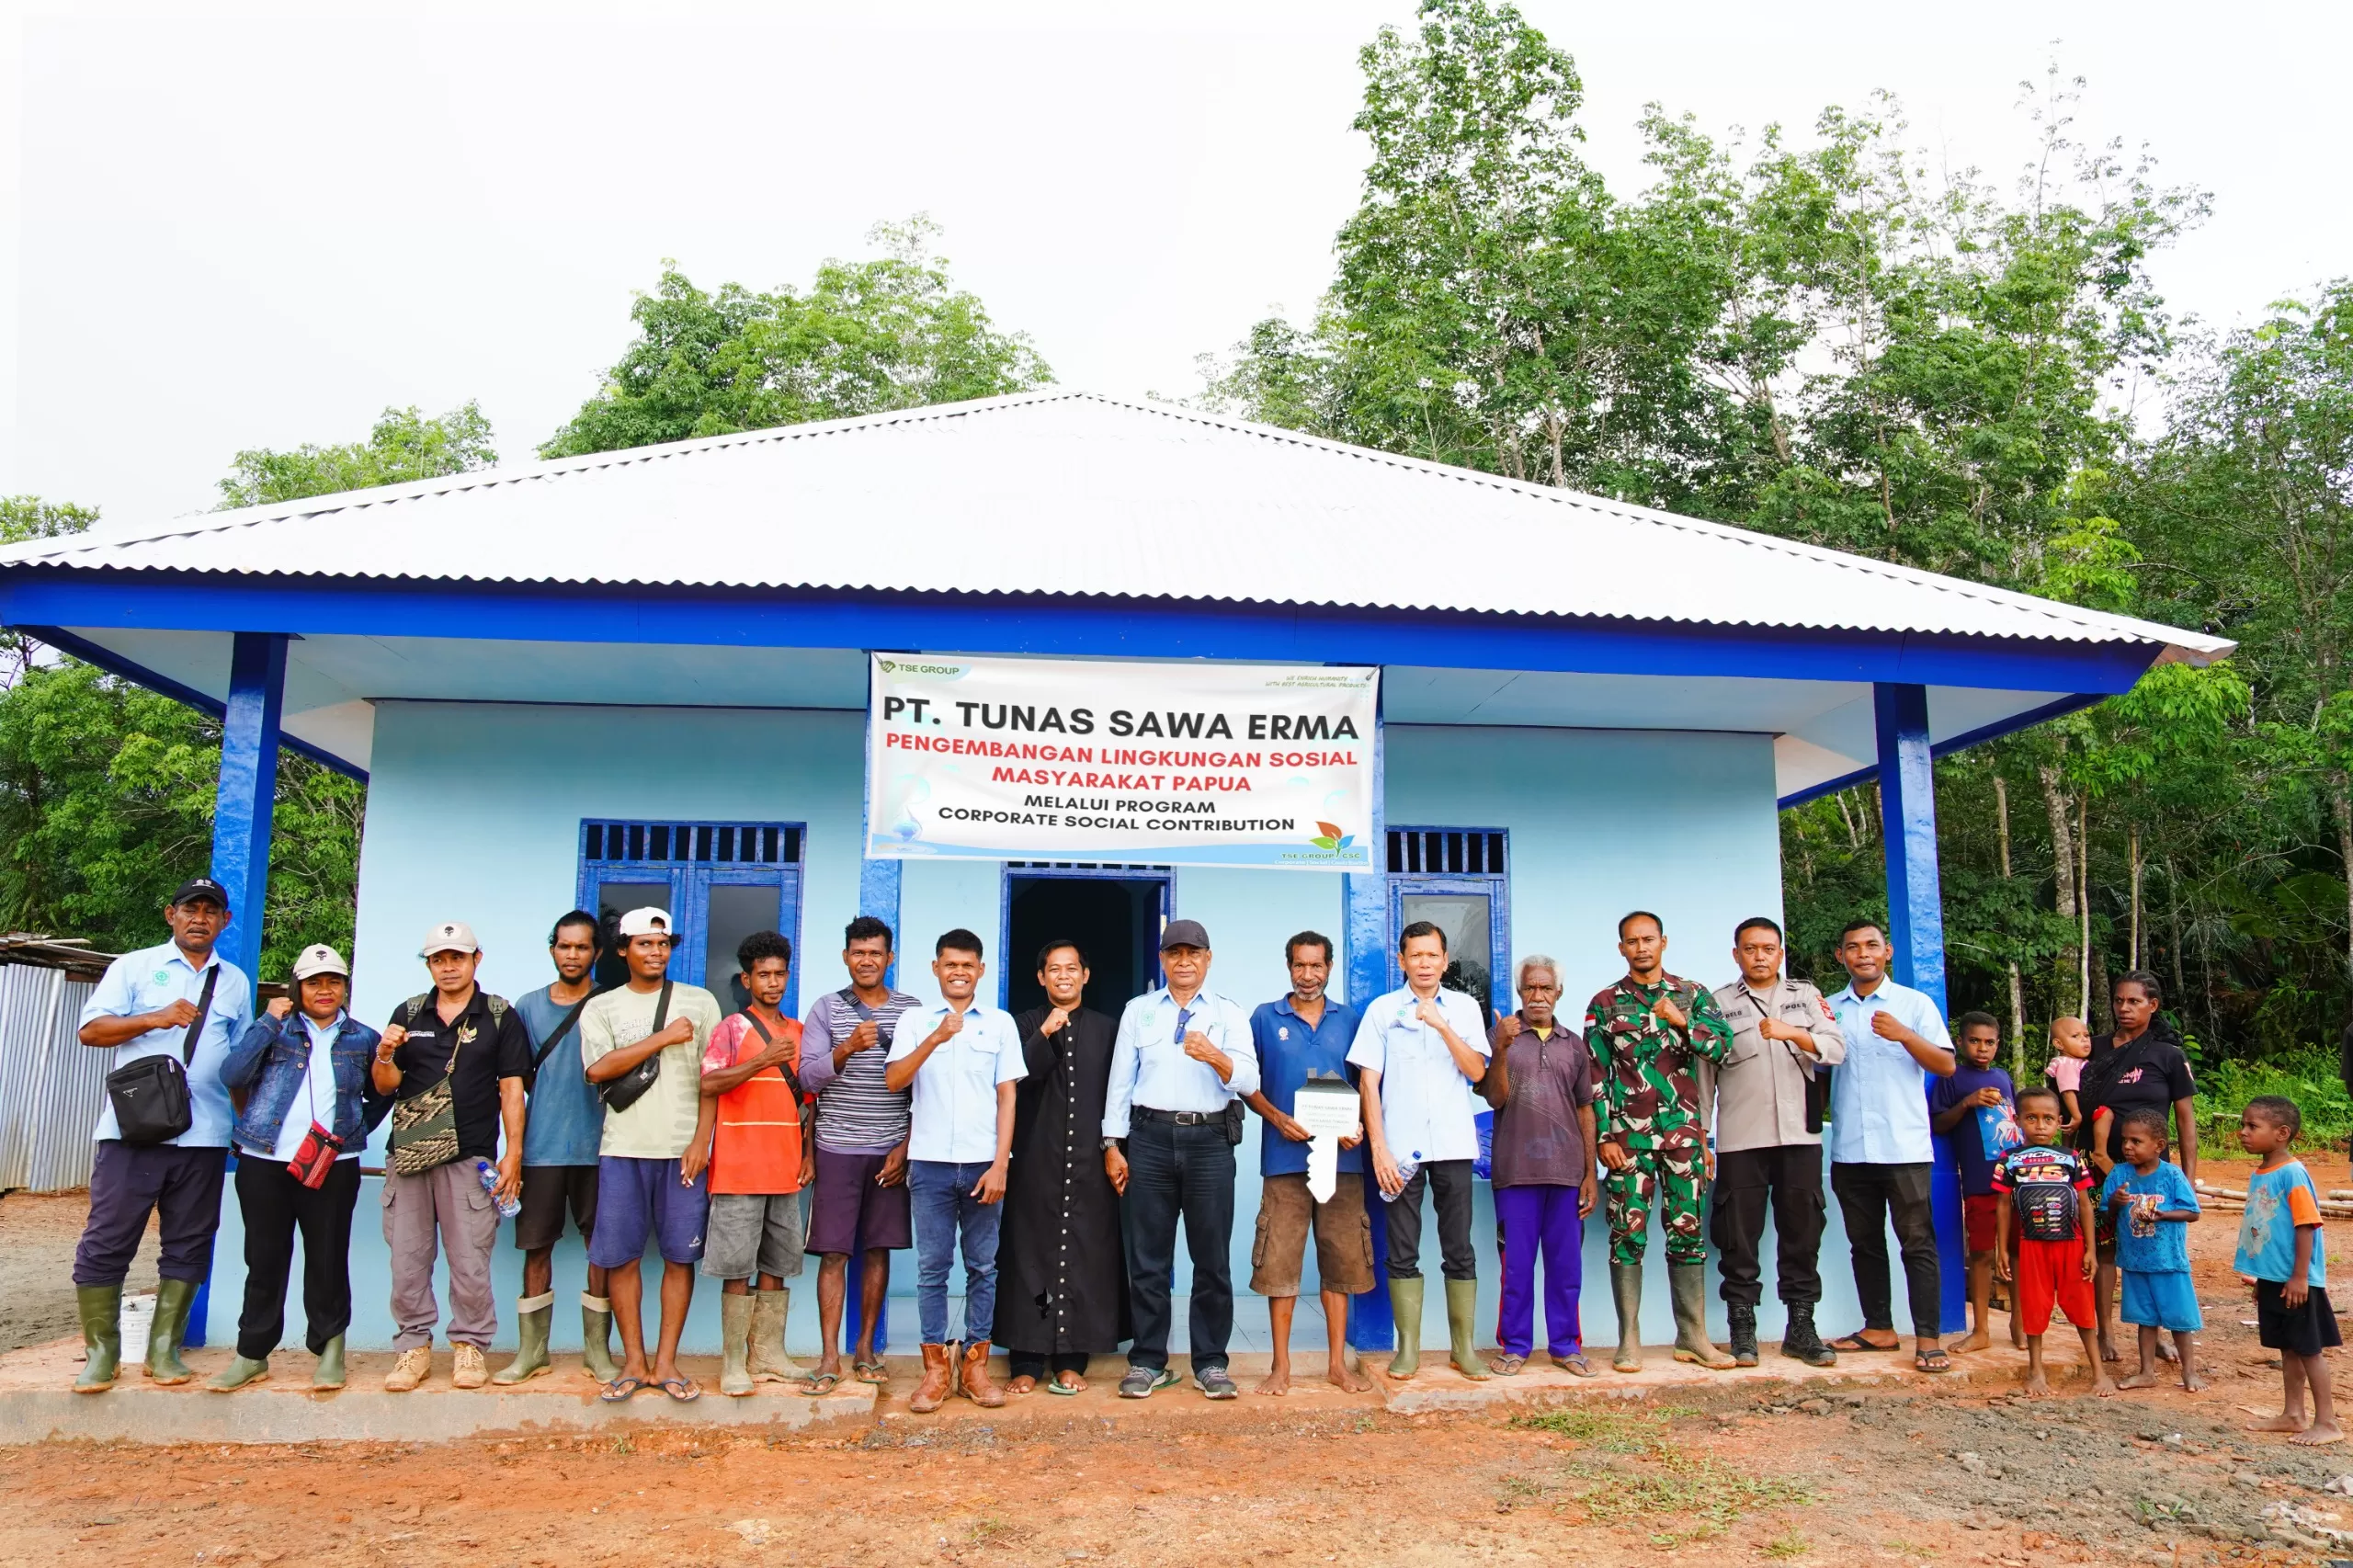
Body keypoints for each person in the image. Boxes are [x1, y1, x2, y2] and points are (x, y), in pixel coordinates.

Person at [69, 877, 255, 1393]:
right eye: (190, 909)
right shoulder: (132, 966)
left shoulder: (235, 981)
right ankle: (101, 1355)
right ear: (171, 915)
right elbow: (91, 1031)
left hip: (207, 1134)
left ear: (224, 922)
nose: (200, 918)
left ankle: (163, 1351)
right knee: (107, 1240)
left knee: (190, 1242)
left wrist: (247, 1129)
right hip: (133, 1133)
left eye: (211, 911)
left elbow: (237, 1066)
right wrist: (156, 1017)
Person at [209, 943, 386, 1392]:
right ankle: (252, 1354)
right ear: (297, 987)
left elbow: (382, 1092)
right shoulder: (275, 1030)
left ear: (345, 986)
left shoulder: (363, 1037)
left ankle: (329, 1351)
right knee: (264, 1259)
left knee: (327, 1260)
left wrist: (350, 1131)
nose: (324, 990)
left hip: (333, 1165)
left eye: (334, 981)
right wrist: (268, 1021)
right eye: (314, 982)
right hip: (264, 1161)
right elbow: (233, 1075)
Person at [371, 919, 531, 1392]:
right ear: (429, 964)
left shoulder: (499, 1014)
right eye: (438, 959)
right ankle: (412, 1350)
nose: (447, 967)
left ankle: (469, 1348)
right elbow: (386, 1086)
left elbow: (511, 1088)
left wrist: (513, 1154)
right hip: (409, 1157)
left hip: (470, 1158)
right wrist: (383, 1055)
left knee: (469, 1260)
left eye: (456, 957)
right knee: (407, 1259)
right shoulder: (410, 1011)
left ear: (475, 960)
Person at [1102, 918, 1259, 1401]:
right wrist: (1112, 1144)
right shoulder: (1139, 1011)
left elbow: (1249, 1080)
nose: (1184, 961)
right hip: (1148, 1139)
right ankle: (1147, 1361)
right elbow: (1120, 1082)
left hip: (1210, 1140)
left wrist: (1216, 1056)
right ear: (1163, 960)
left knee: (1211, 1260)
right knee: (1148, 1258)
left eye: (1193, 953)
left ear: (1208, 959)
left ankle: (1210, 1362)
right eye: (1175, 953)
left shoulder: (1229, 1014)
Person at [580, 906, 723, 1403]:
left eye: (662, 944)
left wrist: (701, 1141)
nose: (655, 952)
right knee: (621, 1259)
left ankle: (666, 1362)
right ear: (623, 950)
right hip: (623, 1149)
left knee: (678, 1259)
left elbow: (713, 1080)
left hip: (682, 1151)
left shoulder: (700, 1002)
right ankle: (633, 1361)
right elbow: (599, 1070)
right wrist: (663, 1037)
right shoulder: (602, 1008)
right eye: (644, 944)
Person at [1585, 911, 1734, 1374]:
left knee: (1688, 1234)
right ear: (1621, 948)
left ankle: (1692, 1336)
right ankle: (1629, 1339)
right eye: (1632, 941)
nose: (1641, 948)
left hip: (1684, 1139)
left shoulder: (1692, 994)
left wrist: (1685, 1022)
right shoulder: (1605, 1003)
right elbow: (1594, 1077)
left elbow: (1725, 1050)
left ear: (1664, 942)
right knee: (1626, 1236)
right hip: (1628, 1142)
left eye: (1649, 939)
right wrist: (1604, 1137)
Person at [884, 928, 1024, 1412]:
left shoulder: (1000, 1024)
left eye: (968, 965)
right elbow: (894, 1080)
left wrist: (1001, 1163)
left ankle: (977, 1366)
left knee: (983, 1267)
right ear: (936, 969)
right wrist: (934, 1038)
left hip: (984, 1164)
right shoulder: (914, 1020)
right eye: (950, 964)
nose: (959, 972)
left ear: (981, 970)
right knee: (932, 1269)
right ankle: (935, 1371)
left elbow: (1008, 1096)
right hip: (929, 1166)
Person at [1703, 916, 1846, 1369]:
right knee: (1738, 1237)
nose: (1759, 956)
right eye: (1750, 948)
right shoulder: (1718, 1003)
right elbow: (1705, 1074)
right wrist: (1704, 1139)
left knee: (1802, 1233)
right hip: (1741, 1139)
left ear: (1780, 953)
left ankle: (1801, 1329)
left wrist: (1794, 1034)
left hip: (1799, 1137)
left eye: (1768, 948)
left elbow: (1836, 1049)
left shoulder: (1805, 997)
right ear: (1736, 954)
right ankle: (1741, 1330)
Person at [1352, 922, 1491, 1381]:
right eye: (1416, 955)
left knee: (1459, 1248)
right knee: (1402, 1248)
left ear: (1445, 961)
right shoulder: (1383, 1010)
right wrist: (1379, 1150)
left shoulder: (1466, 1008)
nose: (1425, 963)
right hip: (1401, 1149)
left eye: (1433, 956)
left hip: (1452, 1143)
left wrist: (1442, 1025)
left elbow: (1476, 1073)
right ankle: (1408, 1348)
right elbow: (1368, 1083)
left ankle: (1462, 1349)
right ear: (1402, 960)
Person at [1824, 919, 1957, 1374]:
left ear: (1888, 952)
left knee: (1917, 1243)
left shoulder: (1913, 1005)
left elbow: (1946, 1064)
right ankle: (1878, 1327)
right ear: (1841, 956)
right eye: (1853, 947)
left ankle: (1928, 1338)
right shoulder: (1828, 1008)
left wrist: (1905, 1035)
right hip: (1851, 1148)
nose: (1863, 953)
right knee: (1865, 1243)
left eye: (1872, 946)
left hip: (1904, 1148)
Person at [1245, 931, 1372, 1395]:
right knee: (1280, 1264)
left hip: (1342, 1161)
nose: (1308, 975)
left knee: (1340, 1261)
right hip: (1284, 1161)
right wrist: (1278, 1119)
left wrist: (1356, 1126)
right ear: (1288, 967)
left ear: (1330, 968)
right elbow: (1247, 1082)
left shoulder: (1350, 1020)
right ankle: (1281, 1367)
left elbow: (1367, 1087)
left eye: (1317, 966)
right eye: (1300, 965)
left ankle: (1337, 1365)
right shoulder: (1264, 1018)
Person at [1001, 938, 1128, 1396]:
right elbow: (1018, 1078)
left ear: (1086, 976)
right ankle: (1028, 1357)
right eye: (1054, 969)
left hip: (1091, 1164)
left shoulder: (1108, 1029)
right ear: (1041, 978)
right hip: (1034, 1161)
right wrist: (1045, 1034)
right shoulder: (1023, 1026)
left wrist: (1114, 1146)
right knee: (1030, 1255)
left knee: (1086, 1255)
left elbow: (1120, 1095)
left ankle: (1073, 1358)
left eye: (1072, 968)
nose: (1063, 976)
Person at [798, 916, 919, 1391]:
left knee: (877, 1250)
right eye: (858, 952)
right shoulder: (827, 1009)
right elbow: (808, 1079)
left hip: (890, 1151)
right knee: (832, 1253)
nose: (866, 960)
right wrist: (847, 1046)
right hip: (836, 1147)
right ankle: (831, 1355)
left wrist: (905, 1148)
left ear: (890, 958)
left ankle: (866, 1348)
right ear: (846, 957)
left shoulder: (911, 1011)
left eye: (875, 952)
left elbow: (922, 1088)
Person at [499, 910, 613, 1386]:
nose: (572, 954)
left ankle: (598, 1353)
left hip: (602, 1148)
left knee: (601, 1249)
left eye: (582, 947)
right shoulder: (526, 1008)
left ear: (597, 953)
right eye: (564, 946)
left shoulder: (612, 1003)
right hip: (542, 1149)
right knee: (536, 1248)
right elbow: (514, 1085)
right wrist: (515, 1152)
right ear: (553, 950)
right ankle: (532, 1352)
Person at [699, 930, 813, 1397]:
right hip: (738, 1167)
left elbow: (810, 1102)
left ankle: (768, 1354)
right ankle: (733, 1362)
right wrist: (763, 1059)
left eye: (779, 974)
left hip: (785, 1166)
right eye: (763, 975)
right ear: (747, 979)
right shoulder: (730, 1028)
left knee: (778, 1263)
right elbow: (710, 1084)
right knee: (736, 1267)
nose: (773, 982)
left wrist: (808, 1154)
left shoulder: (802, 1033)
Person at [1481, 954, 1597, 1378]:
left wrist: (1590, 1173)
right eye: (1530, 987)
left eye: (1546, 988)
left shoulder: (1573, 1044)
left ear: (1558, 992)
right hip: (1515, 1173)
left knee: (1566, 1268)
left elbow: (1586, 1109)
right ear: (1520, 991)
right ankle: (1515, 1346)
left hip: (1567, 1174)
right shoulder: (1503, 1036)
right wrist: (1500, 1048)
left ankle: (1566, 1346)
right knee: (1516, 1268)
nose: (1538, 995)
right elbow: (1494, 1097)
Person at [2080, 971, 2199, 1364]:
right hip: (2095, 1166)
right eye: (2119, 1001)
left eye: (2133, 1001)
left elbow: (2185, 1121)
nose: (2124, 1008)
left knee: (2150, 1246)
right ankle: (2105, 1332)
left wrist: (2187, 1177)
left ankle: (2158, 1332)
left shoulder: (2168, 1055)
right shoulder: (2090, 1049)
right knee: (2105, 1249)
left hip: (2150, 1173)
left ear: (2153, 1005)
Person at [1990, 1086, 2113, 1398]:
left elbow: (2085, 1204)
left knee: (2083, 1307)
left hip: (2071, 1244)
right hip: (2031, 1245)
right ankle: (2036, 1370)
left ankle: (2099, 1373)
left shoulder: (2071, 1158)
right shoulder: (2009, 1159)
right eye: (2031, 1118)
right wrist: (2001, 1248)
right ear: (2017, 1120)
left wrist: (2090, 1249)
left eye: (2048, 1118)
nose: (2040, 1125)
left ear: (2060, 1121)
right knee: (2034, 1306)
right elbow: (2003, 1206)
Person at [2234, 1096, 2340, 1445]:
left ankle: (2327, 1422)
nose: (2243, 1132)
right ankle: (2293, 1414)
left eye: (2252, 1126)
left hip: (2297, 1280)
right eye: (2243, 1124)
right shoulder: (2262, 1171)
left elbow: (2306, 1225)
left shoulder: (2292, 1173)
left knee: (2309, 1349)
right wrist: (2265, 1277)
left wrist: (2299, 1277)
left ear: (2282, 1133)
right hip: (2275, 1278)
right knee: (2289, 1347)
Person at [1928, 1012, 2018, 1356]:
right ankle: (1980, 1329)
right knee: (1982, 1254)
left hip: (2014, 1182)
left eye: (1990, 1042)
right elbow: (1938, 1124)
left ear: (1998, 1045)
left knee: (2019, 1253)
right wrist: (1968, 1103)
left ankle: (2019, 1323)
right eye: (1975, 1041)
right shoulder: (1952, 1077)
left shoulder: (2003, 1077)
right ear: (1961, 1042)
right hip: (1980, 1183)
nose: (1983, 1048)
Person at [2099, 1106, 2203, 1392]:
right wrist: (2117, 1203)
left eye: (2136, 1141)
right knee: (2145, 1321)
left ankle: (2189, 1372)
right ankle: (2147, 1372)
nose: (2128, 1147)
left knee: (2179, 1321)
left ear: (2159, 1146)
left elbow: (2192, 1212)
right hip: (2134, 1262)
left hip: (2169, 1262)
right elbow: (2106, 1213)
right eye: (2125, 1141)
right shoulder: (2119, 1174)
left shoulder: (2171, 1175)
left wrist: (2163, 1215)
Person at [2046, 1016, 2091, 1138]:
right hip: (2073, 1111)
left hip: (2076, 1110)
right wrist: (2076, 1116)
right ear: (2059, 1044)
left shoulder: (2077, 1061)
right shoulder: (2066, 1063)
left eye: (2086, 1035)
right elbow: (2067, 1091)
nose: (2084, 1040)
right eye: (2075, 1036)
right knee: (2070, 1134)